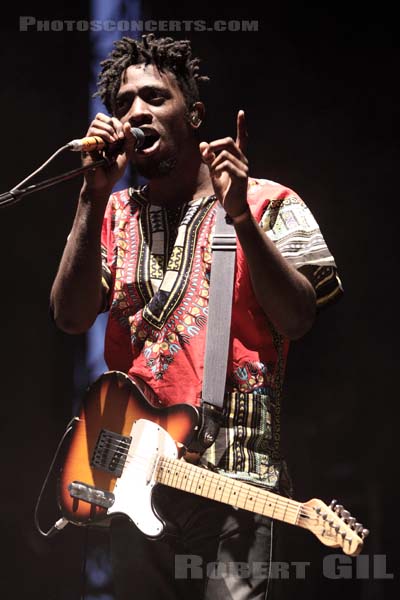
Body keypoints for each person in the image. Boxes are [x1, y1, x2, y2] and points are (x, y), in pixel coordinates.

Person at [50, 34, 342, 600]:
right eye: (126, 103)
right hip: (134, 488)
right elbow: (69, 316)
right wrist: (90, 196)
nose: (137, 112)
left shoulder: (269, 201)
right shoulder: (113, 213)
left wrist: (242, 220)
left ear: (196, 115)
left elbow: (300, 316)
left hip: (239, 485)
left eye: (156, 98)